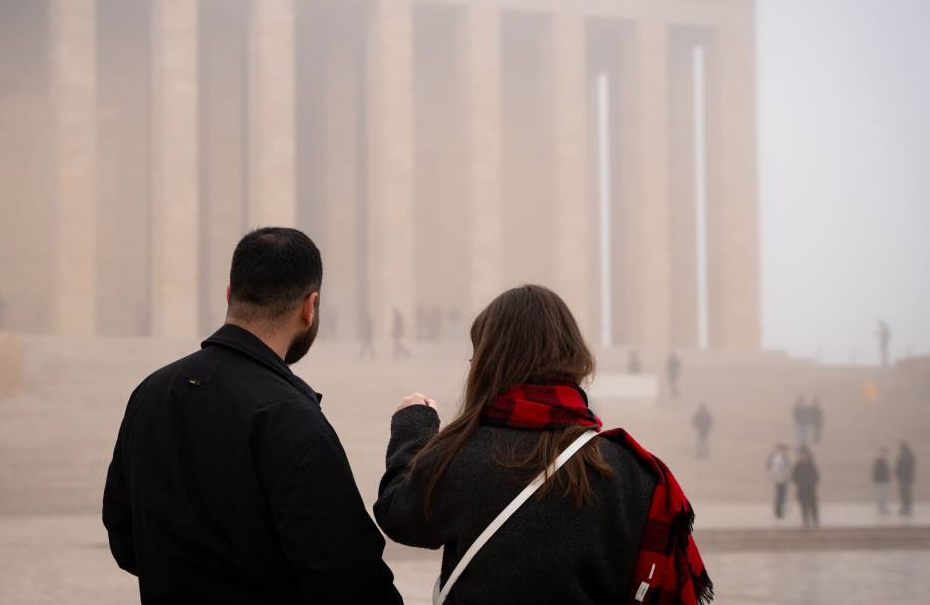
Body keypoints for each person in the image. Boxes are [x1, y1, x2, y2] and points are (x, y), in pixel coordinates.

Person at [102, 227, 402, 604]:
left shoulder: (151, 392)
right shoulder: (291, 418)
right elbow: (349, 578)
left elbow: (124, 535)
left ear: (229, 295)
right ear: (309, 307)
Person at [374, 285, 712, 605]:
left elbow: (400, 515)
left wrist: (413, 427)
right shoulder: (634, 475)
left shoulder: (462, 458)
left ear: (489, 362)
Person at [791, 446, 820, 528]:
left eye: (804, 454)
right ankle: (805, 520)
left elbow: (816, 476)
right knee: (803, 505)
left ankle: (815, 519)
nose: (803, 456)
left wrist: (812, 484)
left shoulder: (811, 464)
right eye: (801, 454)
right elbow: (794, 476)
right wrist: (798, 484)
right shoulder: (797, 465)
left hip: (810, 488)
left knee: (813, 505)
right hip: (801, 488)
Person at [766, 444, 791, 519]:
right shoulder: (777, 459)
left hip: (783, 480)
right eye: (783, 450)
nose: (785, 452)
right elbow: (775, 470)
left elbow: (787, 468)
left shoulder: (784, 458)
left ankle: (781, 512)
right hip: (780, 480)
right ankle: (778, 513)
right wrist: (779, 477)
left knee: (782, 497)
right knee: (780, 497)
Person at [896, 441, 916, 516]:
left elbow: (900, 467)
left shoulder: (903, 456)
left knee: (904, 493)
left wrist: (898, 474)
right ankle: (908, 508)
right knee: (907, 493)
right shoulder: (911, 455)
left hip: (904, 478)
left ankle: (905, 508)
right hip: (908, 478)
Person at [873, 447, 891, 515]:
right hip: (881, 481)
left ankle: (882, 508)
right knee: (881, 495)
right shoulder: (879, 461)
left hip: (883, 481)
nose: (885, 455)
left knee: (883, 495)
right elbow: (877, 471)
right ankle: (881, 508)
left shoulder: (884, 461)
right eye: (884, 453)